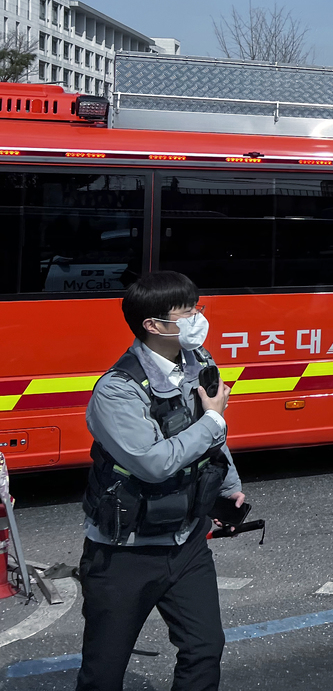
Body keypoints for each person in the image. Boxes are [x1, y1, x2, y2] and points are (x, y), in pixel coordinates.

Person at [78, 271, 245, 691]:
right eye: (187, 312)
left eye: (197, 308)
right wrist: (212, 419)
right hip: (123, 554)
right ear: (153, 325)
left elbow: (215, 438)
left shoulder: (200, 363)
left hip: (186, 542)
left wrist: (229, 490)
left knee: (205, 648)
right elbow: (154, 463)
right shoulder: (117, 390)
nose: (197, 318)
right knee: (104, 671)